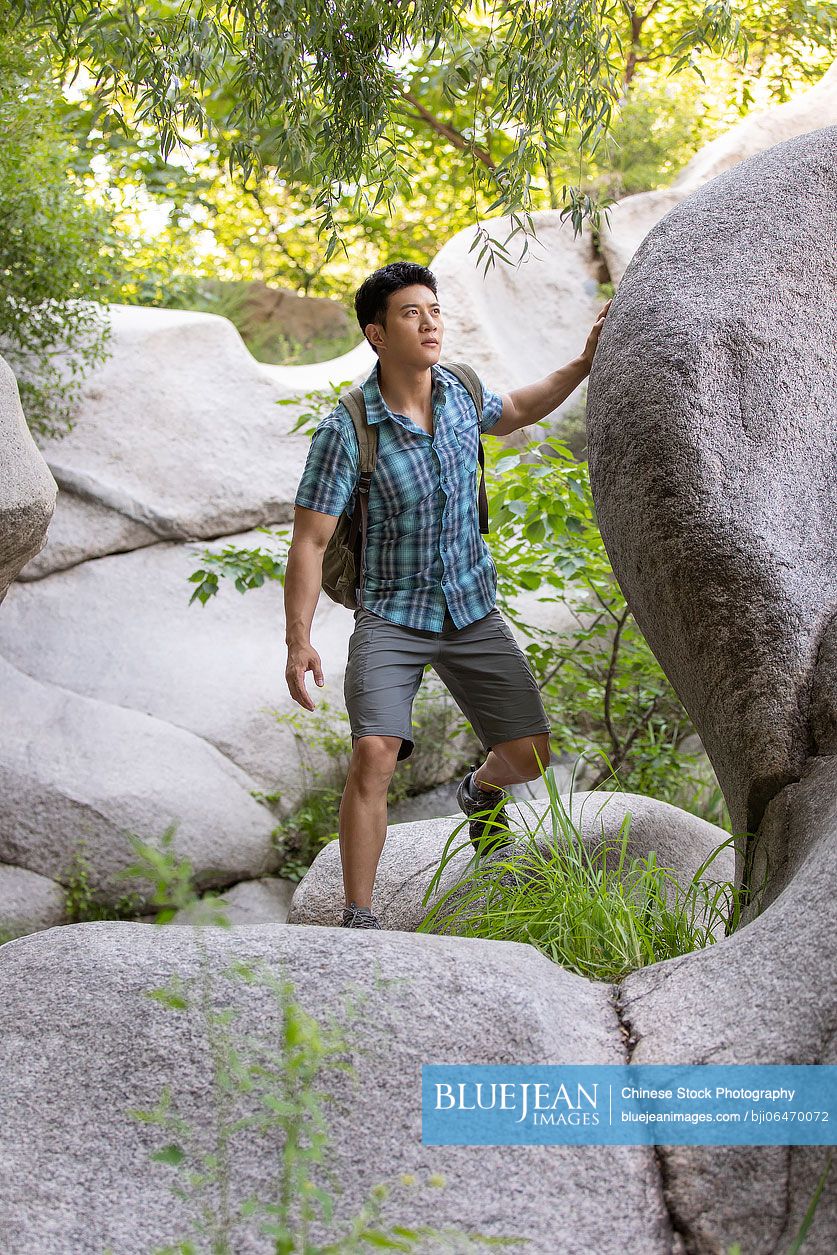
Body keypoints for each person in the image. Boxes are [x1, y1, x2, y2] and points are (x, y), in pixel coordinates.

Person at [284, 261, 610, 929]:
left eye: (433, 309)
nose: (429, 321)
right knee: (373, 752)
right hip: (392, 617)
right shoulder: (346, 429)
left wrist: (581, 365)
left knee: (532, 753)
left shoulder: (461, 391)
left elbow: (515, 409)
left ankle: (478, 790)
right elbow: (310, 543)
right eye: (411, 312)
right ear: (376, 333)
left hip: (470, 609)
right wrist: (298, 638)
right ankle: (359, 916)